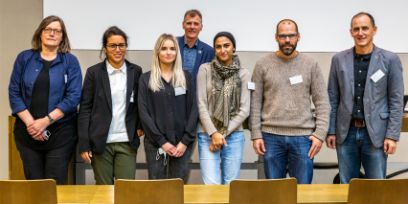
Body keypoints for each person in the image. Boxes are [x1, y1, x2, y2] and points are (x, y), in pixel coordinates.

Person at [326, 12, 404, 183]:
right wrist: (331, 130)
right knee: (347, 184)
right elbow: (332, 98)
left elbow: (396, 101)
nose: (360, 33)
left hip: (376, 134)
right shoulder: (338, 60)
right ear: (351, 32)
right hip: (347, 133)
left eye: (365, 28)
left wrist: (392, 135)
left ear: (374, 30)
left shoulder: (390, 60)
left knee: (376, 186)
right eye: (356, 29)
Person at [250, 19, 330, 184]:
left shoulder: (310, 64)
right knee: (274, 193)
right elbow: (255, 103)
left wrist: (319, 134)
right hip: (270, 138)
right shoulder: (262, 65)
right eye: (283, 36)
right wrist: (256, 134)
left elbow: (322, 102)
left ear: (298, 37)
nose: (287, 40)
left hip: (303, 138)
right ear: (276, 37)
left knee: (302, 192)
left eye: (291, 36)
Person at [8, 15, 82, 184]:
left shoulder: (70, 62)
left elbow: (73, 97)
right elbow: (14, 93)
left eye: (57, 31)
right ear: (40, 33)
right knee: (34, 186)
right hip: (27, 133)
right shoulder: (24, 58)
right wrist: (32, 125)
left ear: (62, 36)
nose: (52, 34)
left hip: (60, 135)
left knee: (54, 184)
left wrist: (45, 122)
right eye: (48, 29)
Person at [77, 26, 143, 184]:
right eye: (113, 45)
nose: (118, 49)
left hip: (126, 141)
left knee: (127, 191)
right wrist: (84, 144)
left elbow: (141, 104)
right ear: (105, 48)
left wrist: (140, 126)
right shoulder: (94, 73)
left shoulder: (136, 71)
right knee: (103, 192)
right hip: (101, 143)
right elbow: (85, 110)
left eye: (122, 45)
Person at [138, 34, 198, 183]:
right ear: (157, 52)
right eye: (164, 48)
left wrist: (184, 142)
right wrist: (162, 142)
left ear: (177, 52)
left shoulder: (186, 77)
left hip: (182, 146)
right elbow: (143, 113)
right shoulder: (146, 79)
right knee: (158, 189)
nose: (168, 52)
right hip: (155, 144)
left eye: (172, 48)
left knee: (178, 188)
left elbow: (194, 110)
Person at [196, 32, 250, 184]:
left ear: (233, 48)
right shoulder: (204, 70)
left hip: (234, 135)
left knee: (230, 185)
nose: (222, 50)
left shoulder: (243, 73)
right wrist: (214, 133)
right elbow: (201, 104)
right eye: (218, 47)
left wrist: (222, 133)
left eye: (226, 45)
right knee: (211, 185)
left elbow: (244, 110)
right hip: (207, 135)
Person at [177, 9, 214, 82]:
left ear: (201, 27)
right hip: (172, 92)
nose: (192, 27)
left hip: (197, 93)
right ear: (183, 25)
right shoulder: (172, 44)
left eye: (196, 24)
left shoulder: (209, 51)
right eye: (189, 23)